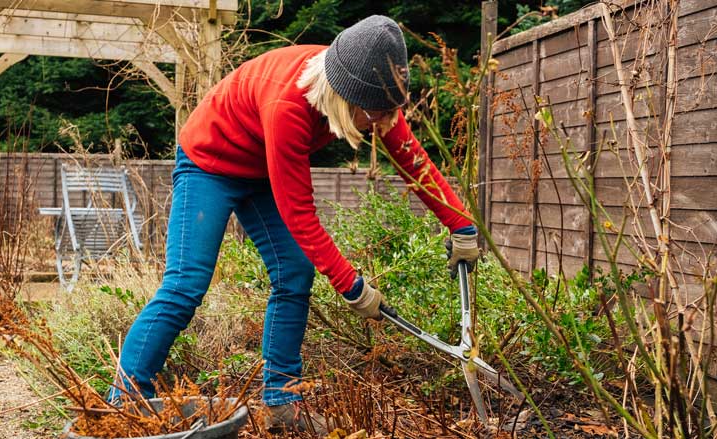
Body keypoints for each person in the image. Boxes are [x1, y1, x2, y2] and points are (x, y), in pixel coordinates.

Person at [112, 15, 479, 435]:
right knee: (185, 285)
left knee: (295, 273)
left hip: (261, 168)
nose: (384, 123)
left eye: (391, 110)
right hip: (209, 163)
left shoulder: (371, 92)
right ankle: (123, 405)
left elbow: (412, 158)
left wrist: (461, 225)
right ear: (348, 99)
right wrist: (352, 287)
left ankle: (283, 402)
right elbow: (300, 215)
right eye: (377, 113)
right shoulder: (287, 105)